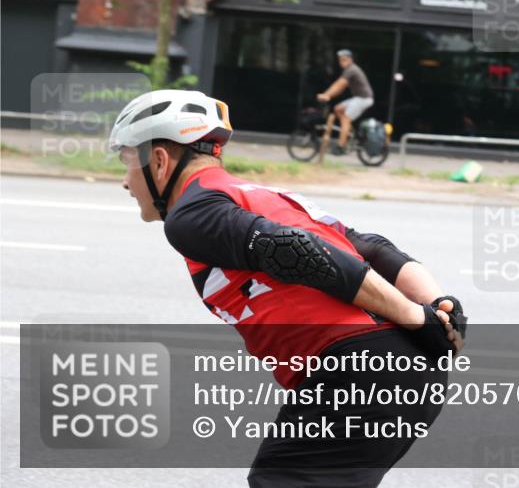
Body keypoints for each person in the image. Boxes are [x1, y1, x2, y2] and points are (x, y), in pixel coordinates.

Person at [108, 89, 467, 487]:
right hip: (402, 369)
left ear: (159, 160)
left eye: (127, 162)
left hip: (359, 368)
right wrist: (440, 305)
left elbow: (297, 251)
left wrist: (419, 316)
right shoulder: (264, 195)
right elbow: (373, 248)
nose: (125, 181)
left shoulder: (191, 214)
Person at [316, 49, 374, 155]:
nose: (342, 62)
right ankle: (348, 132)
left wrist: (326, 95)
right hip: (358, 98)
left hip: (364, 99)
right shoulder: (348, 70)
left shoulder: (352, 70)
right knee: (338, 109)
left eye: (344, 60)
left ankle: (341, 146)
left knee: (346, 119)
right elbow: (340, 89)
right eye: (340, 60)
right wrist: (329, 95)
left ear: (350, 60)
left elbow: (339, 84)